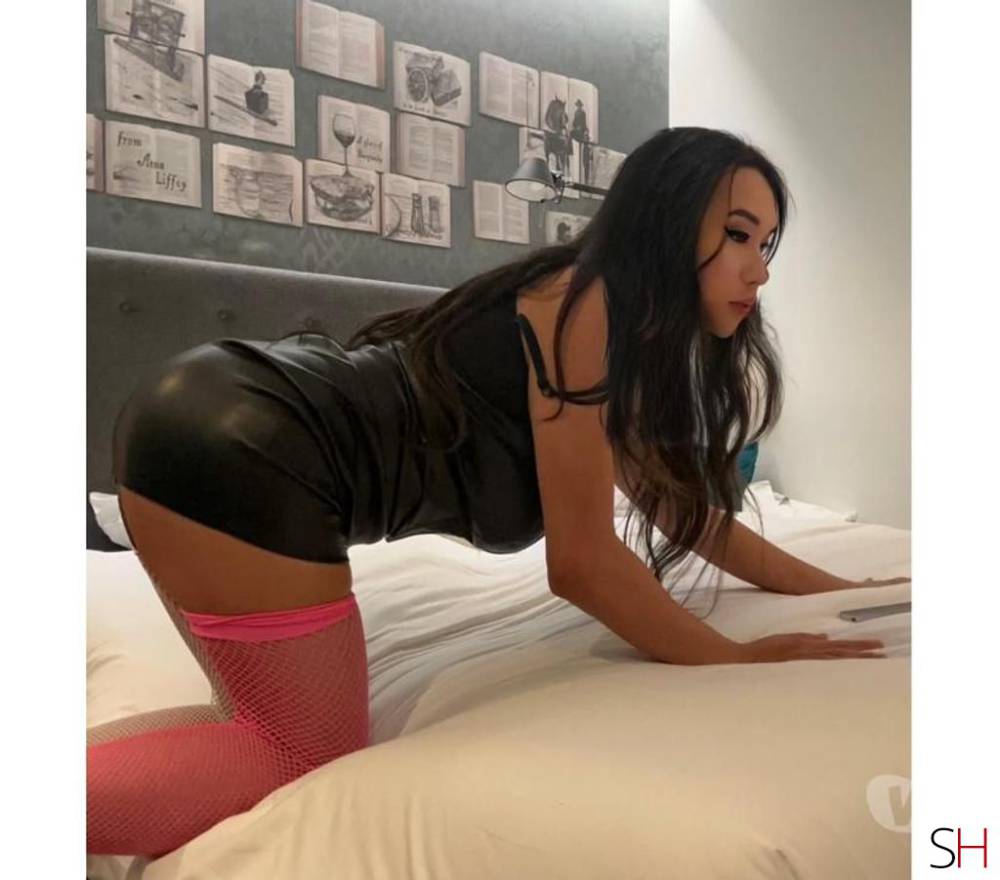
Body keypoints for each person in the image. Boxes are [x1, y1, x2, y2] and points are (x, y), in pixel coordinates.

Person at [87, 126, 902, 857]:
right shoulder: (587, 302)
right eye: (737, 235)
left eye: (767, 244)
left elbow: (680, 507)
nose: (760, 269)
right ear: (667, 219)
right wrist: (733, 658)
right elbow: (582, 563)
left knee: (256, 727)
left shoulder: (613, 332)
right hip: (254, 443)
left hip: (222, 417)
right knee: (297, 753)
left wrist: (835, 587)